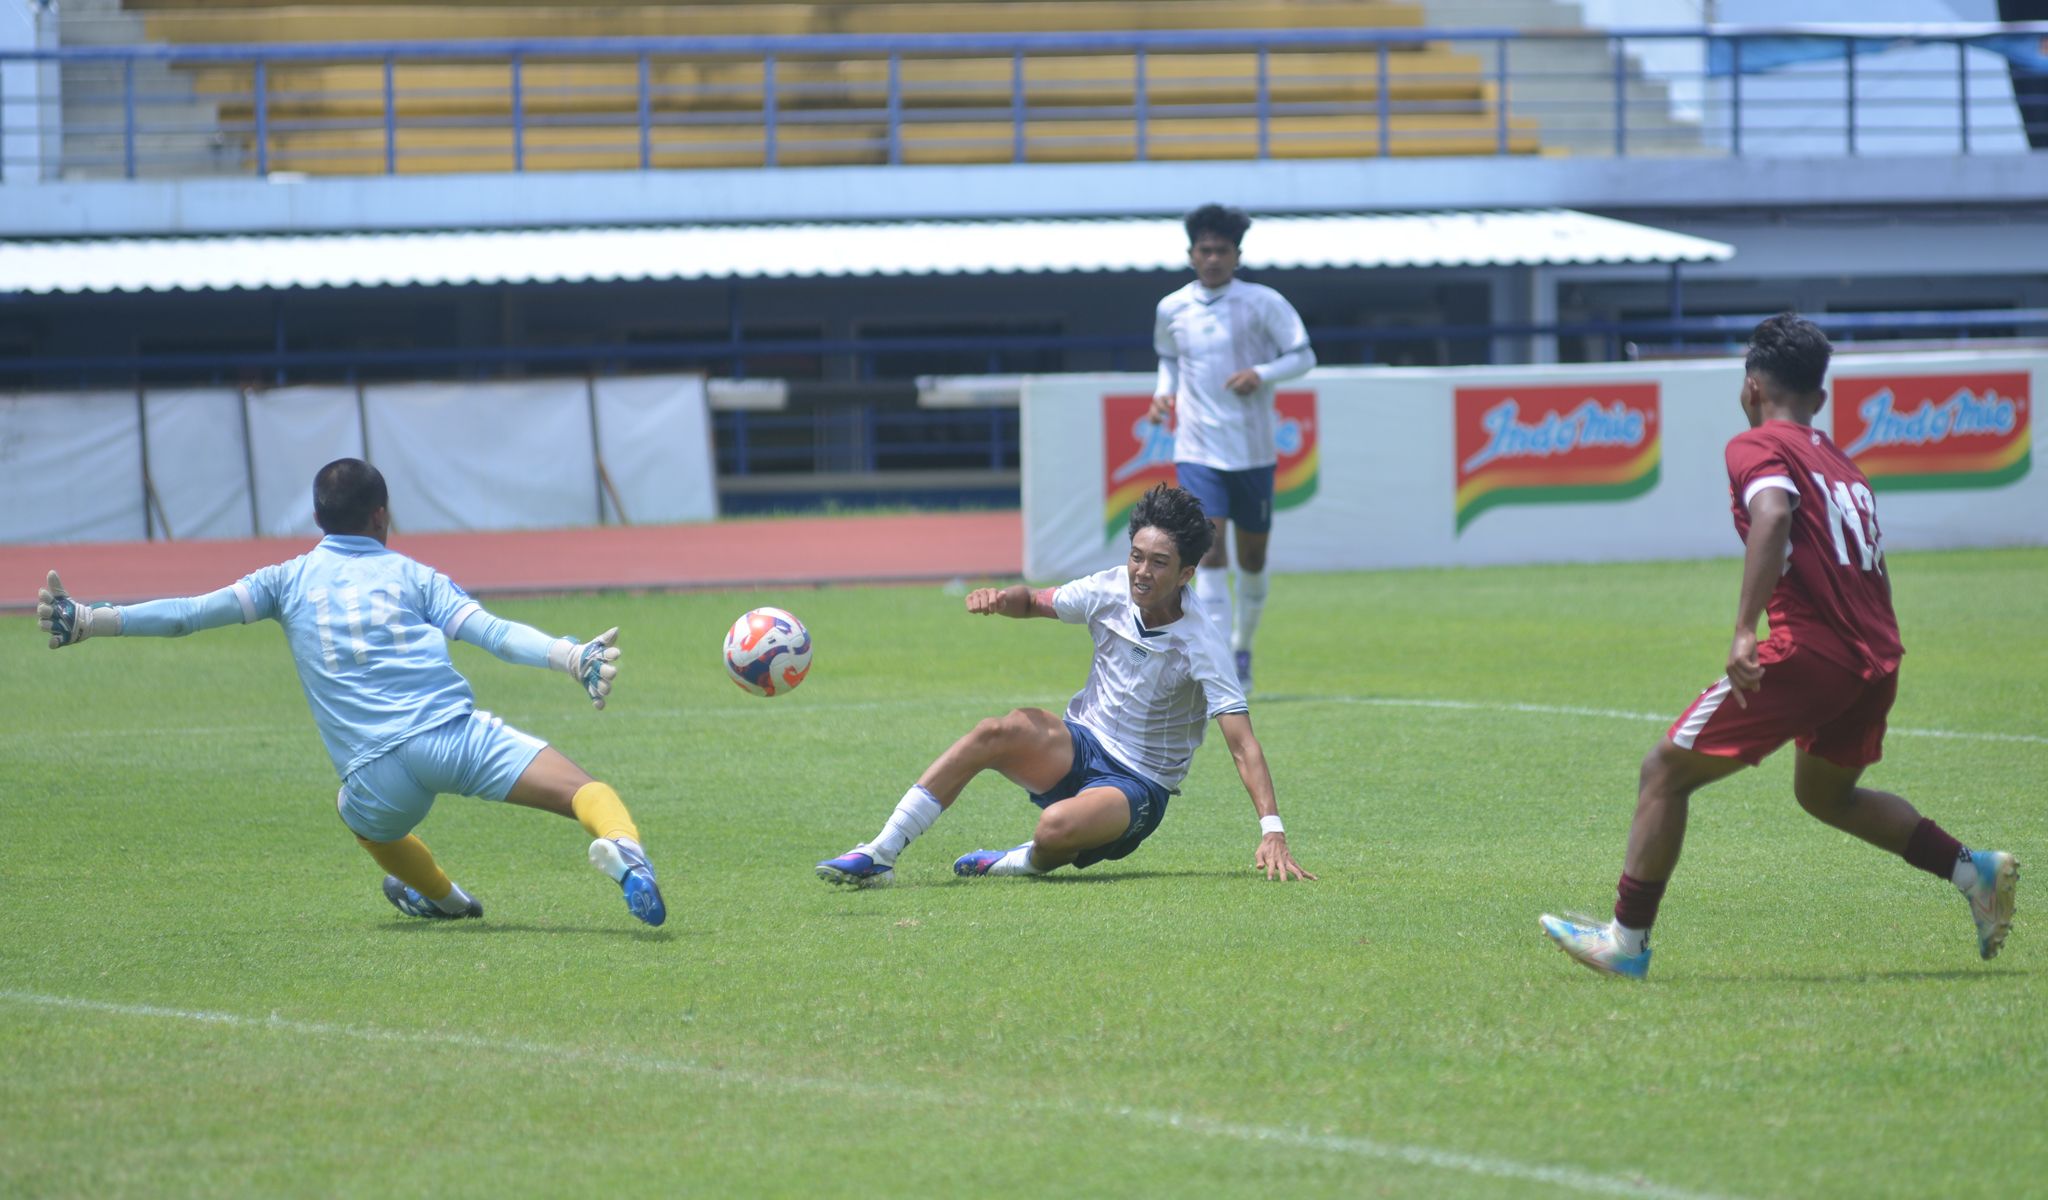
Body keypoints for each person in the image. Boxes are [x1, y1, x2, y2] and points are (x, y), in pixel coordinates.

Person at [1539, 314, 2017, 979]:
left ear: (1751, 385)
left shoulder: (1756, 444)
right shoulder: (1843, 465)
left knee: (1663, 773)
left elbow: (1772, 513)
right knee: (1826, 797)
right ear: (1819, 398)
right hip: (1875, 659)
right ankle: (1975, 871)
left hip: (1813, 653)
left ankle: (1626, 942)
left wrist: (1743, 629)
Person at [34, 457, 668, 927]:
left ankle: (447, 900)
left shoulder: (286, 578)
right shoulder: (414, 575)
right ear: (381, 515)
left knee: (352, 813)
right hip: (453, 737)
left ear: (316, 518)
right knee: (587, 791)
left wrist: (91, 618)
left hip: (374, 777)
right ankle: (626, 853)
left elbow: (187, 614)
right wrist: (571, 656)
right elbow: (493, 634)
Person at [815, 483, 1314, 886]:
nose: (1141, 572)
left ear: (1185, 573)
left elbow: (1242, 744)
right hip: (1081, 742)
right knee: (998, 730)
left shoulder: (1202, 641)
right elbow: (1034, 601)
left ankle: (1019, 861)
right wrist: (1001, 598)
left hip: (1138, 783)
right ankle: (881, 850)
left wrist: (1272, 830)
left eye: (1158, 563)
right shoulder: (1109, 589)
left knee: (1054, 831)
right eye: (1136, 556)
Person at [1149, 202, 1316, 691]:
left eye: (1223, 250)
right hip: (1198, 447)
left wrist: (1261, 373)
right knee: (1209, 552)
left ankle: (1243, 643)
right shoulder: (1172, 308)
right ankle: (1220, 662)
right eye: (1206, 250)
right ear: (1191, 254)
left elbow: (1304, 355)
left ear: (1237, 255)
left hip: (1253, 451)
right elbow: (1168, 358)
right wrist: (1163, 392)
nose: (1214, 258)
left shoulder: (1262, 302)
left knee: (1254, 557)